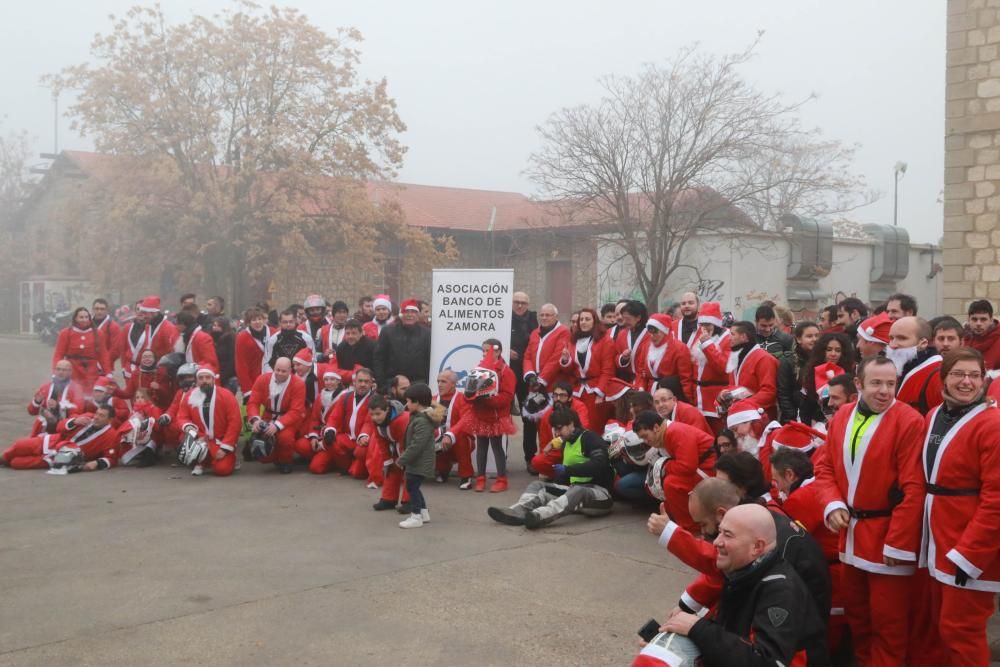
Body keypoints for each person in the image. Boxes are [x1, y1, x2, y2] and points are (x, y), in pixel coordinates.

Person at [814, 355, 926, 666]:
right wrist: (832, 503)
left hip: (887, 539)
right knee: (858, 617)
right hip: (850, 537)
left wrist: (899, 542)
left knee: (889, 625)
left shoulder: (909, 421)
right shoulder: (843, 416)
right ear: (859, 385)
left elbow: (913, 487)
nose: (885, 391)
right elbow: (824, 467)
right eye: (876, 383)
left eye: (891, 383)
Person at [660, 504, 827, 667]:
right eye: (719, 532)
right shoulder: (744, 572)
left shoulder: (782, 591)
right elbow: (731, 635)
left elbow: (767, 661)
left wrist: (697, 628)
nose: (717, 542)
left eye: (728, 535)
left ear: (757, 547)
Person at [920, 347, 1000, 666]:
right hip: (938, 538)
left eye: (974, 375)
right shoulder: (934, 415)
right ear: (944, 378)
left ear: (984, 380)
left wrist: (971, 554)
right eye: (958, 374)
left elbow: (997, 499)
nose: (966, 382)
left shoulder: (992, 425)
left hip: (968, 545)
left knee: (961, 629)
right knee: (941, 627)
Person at [487, 408, 613, 529]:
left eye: (559, 429)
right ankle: (517, 511)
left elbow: (599, 464)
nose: (557, 433)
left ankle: (539, 516)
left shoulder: (591, 438)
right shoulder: (567, 442)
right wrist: (555, 485)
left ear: (571, 424)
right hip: (574, 491)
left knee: (577, 490)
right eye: (555, 429)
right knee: (538, 485)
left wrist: (568, 470)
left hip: (600, 495)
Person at [634, 410, 716, 533]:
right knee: (661, 482)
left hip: (710, 469)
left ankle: (691, 528)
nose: (646, 441)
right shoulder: (665, 434)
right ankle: (675, 521)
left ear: (656, 427)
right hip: (702, 467)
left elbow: (687, 467)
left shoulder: (675, 432)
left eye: (645, 436)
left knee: (671, 484)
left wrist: (665, 466)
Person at [461, 341, 516, 492]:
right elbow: (469, 391)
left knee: (497, 446)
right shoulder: (478, 370)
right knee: (481, 447)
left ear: (498, 352)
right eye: (483, 351)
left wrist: (487, 399)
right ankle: (480, 478)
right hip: (480, 415)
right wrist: (470, 396)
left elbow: (507, 396)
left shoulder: (506, 372)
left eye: (488, 351)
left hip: (496, 416)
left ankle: (501, 479)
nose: (485, 354)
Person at [2, 404, 120, 471]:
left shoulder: (112, 436)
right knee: (19, 445)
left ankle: (8, 461)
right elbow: (59, 427)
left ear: (109, 420)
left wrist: (97, 463)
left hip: (65, 456)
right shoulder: (87, 416)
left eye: (101, 416)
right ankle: (2, 459)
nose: (97, 417)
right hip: (54, 441)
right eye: (97, 413)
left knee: (17, 463)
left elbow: (112, 458)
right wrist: (74, 421)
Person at [559, 307, 621, 431]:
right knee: (575, 426)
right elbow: (570, 370)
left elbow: (608, 370)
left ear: (595, 321)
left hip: (596, 390)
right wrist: (565, 360)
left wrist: (600, 392)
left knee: (594, 427)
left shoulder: (605, 341)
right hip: (577, 391)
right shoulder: (572, 341)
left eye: (587, 319)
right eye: (581, 319)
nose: (583, 322)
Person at [176, 367, 242, 477]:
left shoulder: (226, 395)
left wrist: (225, 447)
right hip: (201, 439)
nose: (204, 381)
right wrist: (189, 429)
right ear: (196, 381)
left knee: (222, 470)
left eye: (207, 377)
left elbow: (235, 423)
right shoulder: (189, 396)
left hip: (221, 441)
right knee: (183, 436)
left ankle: (226, 459)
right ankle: (202, 461)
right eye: (201, 378)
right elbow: (182, 416)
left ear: (213, 379)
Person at [246, 357, 306, 474]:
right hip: (268, 416)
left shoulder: (298, 384)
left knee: (285, 438)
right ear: (273, 368)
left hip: (289, 419)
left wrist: (278, 425)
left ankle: (286, 462)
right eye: (277, 370)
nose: (280, 373)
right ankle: (273, 457)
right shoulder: (262, 379)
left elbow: (296, 411)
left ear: (290, 370)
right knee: (263, 453)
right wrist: (255, 420)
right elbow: (253, 402)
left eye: (284, 371)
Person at [396, 383, 444, 529]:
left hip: (420, 462)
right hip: (418, 461)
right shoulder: (419, 417)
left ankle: (416, 515)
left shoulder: (422, 421)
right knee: (414, 486)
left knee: (412, 487)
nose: (407, 404)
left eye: (409, 401)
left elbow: (417, 445)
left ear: (417, 402)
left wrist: (402, 459)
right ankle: (423, 512)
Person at [315, 368, 376, 477]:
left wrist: (364, 436)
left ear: (371, 383)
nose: (363, 384)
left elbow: (369, 422)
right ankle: (345, 465)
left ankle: (353, 464)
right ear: (354, 382)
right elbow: (335, 417)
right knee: (316, 466)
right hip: (347, 438)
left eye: (366, 382)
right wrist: (330, 429)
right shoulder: (345, 397)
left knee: (357, 473)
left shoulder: (375, 399)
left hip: (364, 440)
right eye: (360, 381)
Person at [689, 302, 731, 432]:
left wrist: (707, 344)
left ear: (717, 324)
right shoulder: (700, 336)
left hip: (716, 399)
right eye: (702, 324)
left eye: (708, 324)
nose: (704, 328)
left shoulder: (728, 338)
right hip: (698, 398)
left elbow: (723, 368)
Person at [887, 316, 943, 415]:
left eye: (902, 338)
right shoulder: (897, 368)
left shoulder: (937, 374)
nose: (893, 345)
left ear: (923, 343)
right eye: (891, 338)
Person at [724, 321, 779, 418]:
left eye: (732, 334)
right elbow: (732, 386)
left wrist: (743, 405)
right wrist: (723, 396)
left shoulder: (764, 359)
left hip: (760, 417)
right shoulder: (736, 356)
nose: (729, 338)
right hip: (740, 416)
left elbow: (769, 392)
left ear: (743, 337)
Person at [52, 306, 112, 394]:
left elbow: (103, 355)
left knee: (90, 395)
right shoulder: (66, 333)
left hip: (91, 371)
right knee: (72, 394)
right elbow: (58, 354)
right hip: (72, 370)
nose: (84, 320)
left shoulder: (98, 333)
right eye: (81, 317)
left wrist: (108, 373)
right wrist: (56, 371)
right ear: (75, 318)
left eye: (86, 317)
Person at [373, 299, 431, 390]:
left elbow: (429, 360)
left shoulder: (427, 333)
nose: (409, 315)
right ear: (401, 314)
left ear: (418, 314)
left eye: (413, 312)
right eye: (406, 312)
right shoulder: (387, 331)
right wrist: (382, 384)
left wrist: (427, 383)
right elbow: (379, 359)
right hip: (392, 383)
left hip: (419, 383)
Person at [510, 291, 539, 471]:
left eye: (523, 303)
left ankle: (530, 458)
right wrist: (505, 350)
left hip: (527, 375)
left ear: (528, 304)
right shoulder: (502, 317)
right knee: (500, 416)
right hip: (505, 373)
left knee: (529, 417)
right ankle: (496, 459)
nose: (520, 306)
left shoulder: (535, 320)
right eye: (516, 302)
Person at [635, 313, 695, 400]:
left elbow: (685, 378)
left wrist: (688, 399)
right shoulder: (646, 346)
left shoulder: (679, 348)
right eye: (650, 332)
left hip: (669, 394)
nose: (652, 336)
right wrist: (640, 388)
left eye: (655, 332)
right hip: (649, 393)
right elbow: (641, 372)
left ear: (665, 331)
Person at [803, 332, 855, 425]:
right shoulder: (811, 373)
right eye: (829, 349)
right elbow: (806, 405)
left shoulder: (851, 375)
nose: (833, 354)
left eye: (838, 350)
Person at [432, 370, 473, 487]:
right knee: (434, 436)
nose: (439, 384)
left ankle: (466, 475)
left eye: (443, 382)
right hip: (441, 440)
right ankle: (442, 470)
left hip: (461, 440)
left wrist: (450, 434)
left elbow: (465, 421)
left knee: (461, 438)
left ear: (454, 384)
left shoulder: (462, 399)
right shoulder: (434, 400)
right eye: (438, 381)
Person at [119, 296, 179, 377]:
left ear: (153, 312)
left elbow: (174, 354)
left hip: (164, 375)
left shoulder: (169, 328)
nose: (142, 316)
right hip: (149, 372)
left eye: (145, 313)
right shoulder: (148, 326)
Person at [776, 320, 820, 424]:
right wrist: (792, 417)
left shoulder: (823, 360)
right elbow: (783, 394)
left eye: (817, 336)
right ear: (799, 339)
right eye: (809, 336)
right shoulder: (788, 362)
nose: (814, 339)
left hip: (818, 418)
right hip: (795, 418)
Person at [27, 359, 83, 437]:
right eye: (58, 369)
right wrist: (37, 401)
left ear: (70, 372)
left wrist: (58, 406)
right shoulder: (45, 387)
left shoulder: (76, 389)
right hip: (42, 428)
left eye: (64, 370)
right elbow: (31, 411)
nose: (60, 372)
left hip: (62, 429)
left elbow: (78, 410)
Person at [234, 307, 273, 397]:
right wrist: (247, 389)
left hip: (274, 378)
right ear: (248, 323)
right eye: (254, 320)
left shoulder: (273, 332)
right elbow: (241, 364)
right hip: (254, 380)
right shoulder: (242, 337)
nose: (257, 322)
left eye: (260, 319)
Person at [262, 308, 314, 373]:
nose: (288, 324)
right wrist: (272, 377)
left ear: (295, 321)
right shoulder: (273, 340)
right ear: (280, 322)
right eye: (285, 322)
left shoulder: (306, 338)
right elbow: (266, 362)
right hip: (279, 376)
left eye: (291, 321)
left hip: (301, 375)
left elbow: (313, 359)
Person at [174, 309, 220, 374]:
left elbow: (210, 362)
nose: (176, 327)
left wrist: (191, 367)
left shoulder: (203, 338)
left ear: (183, 324)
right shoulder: (187, 337)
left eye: (177, 324)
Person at [962, 299, 1000, 369]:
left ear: (991, 320)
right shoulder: (961, 340)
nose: (978, 323)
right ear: (968, 320)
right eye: (974, 319)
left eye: (983, 319)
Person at [208, 316, 237, 393]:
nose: (215, 328)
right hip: (217, 374)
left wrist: (223, 375)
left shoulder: (230, 339)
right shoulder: (212, 339)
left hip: (227, 376)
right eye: (214, 325)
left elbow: (231, 359)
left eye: (218, 326)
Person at [91, 298, 120, 364]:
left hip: (105, 367)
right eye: (97, 309)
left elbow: (115, 350)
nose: (99, 311)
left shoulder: (114, 326)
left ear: (107, 310)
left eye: (102, 309)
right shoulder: (86, 324)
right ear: (92, 309)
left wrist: (104, 363)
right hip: (88, 366)